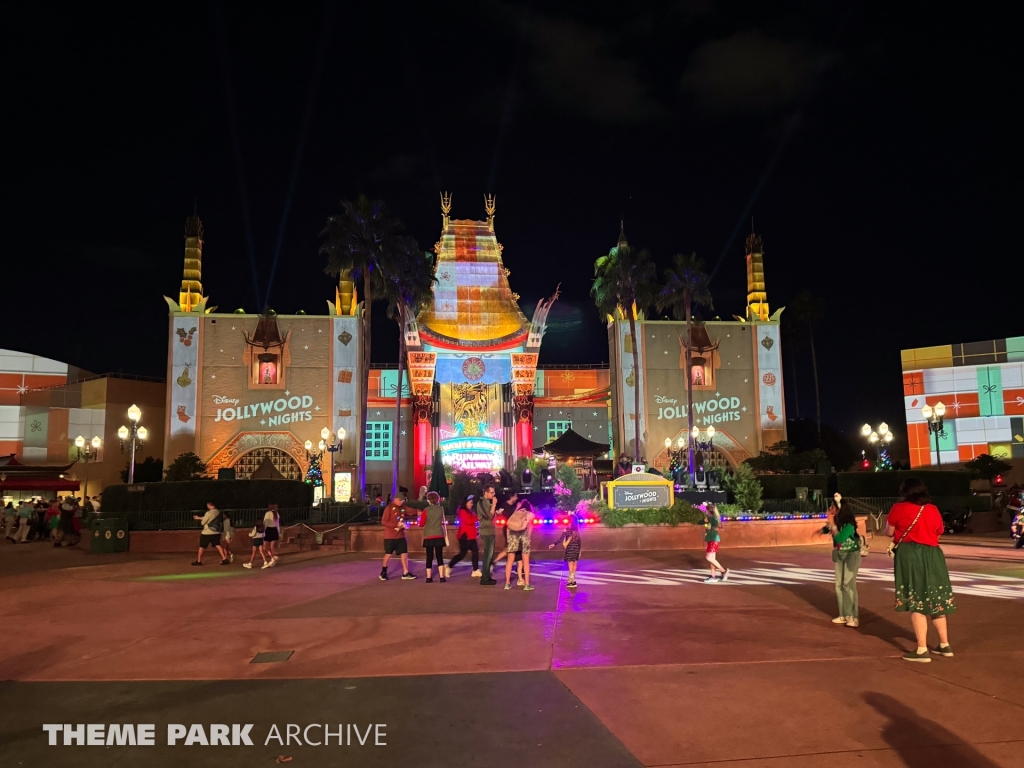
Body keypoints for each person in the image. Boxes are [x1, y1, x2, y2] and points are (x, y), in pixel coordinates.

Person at [886, 478, 956, 662]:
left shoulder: (898, 508)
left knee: (916, 599)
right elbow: (939, 530)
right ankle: (944, 644)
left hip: (911, 555)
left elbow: (889, 532)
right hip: (933, 554)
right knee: (935, 598)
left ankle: (922, 649)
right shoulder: (932, 509)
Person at [823, 493, 862, 627]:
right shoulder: (838, 522)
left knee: (848, 584)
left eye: (832, 506)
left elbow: (840, 539)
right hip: (839, 554)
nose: (829, 509)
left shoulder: (849, 524)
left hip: (852, 554)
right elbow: (828, 531)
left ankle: (853, 616)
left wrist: (831, 521)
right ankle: (844, 615)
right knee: (839, 585)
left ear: (839, 509)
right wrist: (828, 525)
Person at [380, 493, 415, 580]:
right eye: (400, 500)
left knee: (404, 553)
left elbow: (410, 511)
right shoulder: (389, 508)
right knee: (388, 554)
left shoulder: (403, 507)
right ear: (395, 499)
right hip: (390, 536)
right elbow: (384, 521)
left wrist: (419, 511)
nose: (401, 502)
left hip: (400, 536)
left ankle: (405, 572)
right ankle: (383, 571)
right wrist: (396, 525)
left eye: (402, 501)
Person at [504, 499, 536, 591]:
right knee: (525, 562)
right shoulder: (530, 514)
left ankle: (507, 583)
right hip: (523, 537)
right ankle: (527, 584)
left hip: (512, 537)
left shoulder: (516, 513)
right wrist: (528, 540)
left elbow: (508, 526)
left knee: (510, 561)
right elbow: (530, 529)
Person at [445, 495, 480, 579]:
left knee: (475, 552)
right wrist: (476, 518)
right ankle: (449, 566)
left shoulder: (470, 512)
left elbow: (474, 519)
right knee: (462, 554)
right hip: (465, 537)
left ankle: (475, 570)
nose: (472, 504)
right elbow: (469, 521)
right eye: (470, 503)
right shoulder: (462, 511)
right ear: (466, 503)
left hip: (471, 536)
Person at [419, 492, 448, 583]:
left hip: (428, 536)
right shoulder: (441, 509)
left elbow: (421, 524)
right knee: (439, 556)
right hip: (439, 534)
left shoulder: (426, 510)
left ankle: (428, 577)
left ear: (428, 500)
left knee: (429, 556)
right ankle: (442, 577)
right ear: (438, 499)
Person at [549, 513, 583, 588]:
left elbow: (561, 539)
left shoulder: (566, 529)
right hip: (576, 549)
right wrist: (580, 550)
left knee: (570, 565)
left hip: (570, 549)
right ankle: (573, 580)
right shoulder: (577, 531)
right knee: (575, 564)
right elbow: (579, 541)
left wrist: (554, 544)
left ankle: (571, 581)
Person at [702, 503, 729, 583]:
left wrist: (709, 525)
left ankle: (723, 571)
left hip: (713, 540)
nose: (705, 512)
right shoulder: (709, 518)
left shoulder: (713, 519)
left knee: (709, 557)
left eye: (706, 510)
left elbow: (718, 527)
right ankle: (713, 576)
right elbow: (708, 528)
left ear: (709, 511)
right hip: (710, 539)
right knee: (712, 559)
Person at [477, 484, 498, 585]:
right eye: (491, 492)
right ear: (485, 492)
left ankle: (487, 576)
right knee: (487, 555)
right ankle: (484, 578)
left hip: (490, 530)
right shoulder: (482, 502)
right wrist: (494, 505)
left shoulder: (486, 502)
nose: (493, 494)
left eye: (494, 492)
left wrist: (497, 512)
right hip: (486, 531)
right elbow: (489, 516)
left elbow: (491, 515)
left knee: (490, 555)